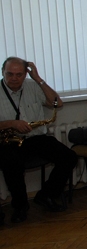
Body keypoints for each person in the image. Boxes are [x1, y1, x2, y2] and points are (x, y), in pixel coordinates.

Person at [0, 57, 76, 222]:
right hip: (8, 141)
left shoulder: (32, 85)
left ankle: (46, 195)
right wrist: (12, 123)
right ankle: (20, 207)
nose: (14, 78)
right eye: (10, 74)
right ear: (3, 73)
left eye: (19, 74)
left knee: (68, 157)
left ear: (25, 74)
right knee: (12, 165)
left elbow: (57, 103)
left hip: (35, 138)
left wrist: (38, 78)